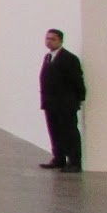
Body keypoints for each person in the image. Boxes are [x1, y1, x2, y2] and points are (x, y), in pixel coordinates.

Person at [38, 28, 86, 172]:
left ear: (60, 41)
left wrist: (79, 98)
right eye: (47, 38)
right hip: (50, 103)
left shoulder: (69, 58)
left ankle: (74, 162)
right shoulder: (48, 57)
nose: (49, 41)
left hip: (65, 104)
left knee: (69, 132)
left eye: (53, 39)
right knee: (55, 131)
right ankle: (59, 158)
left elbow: (77, 80)